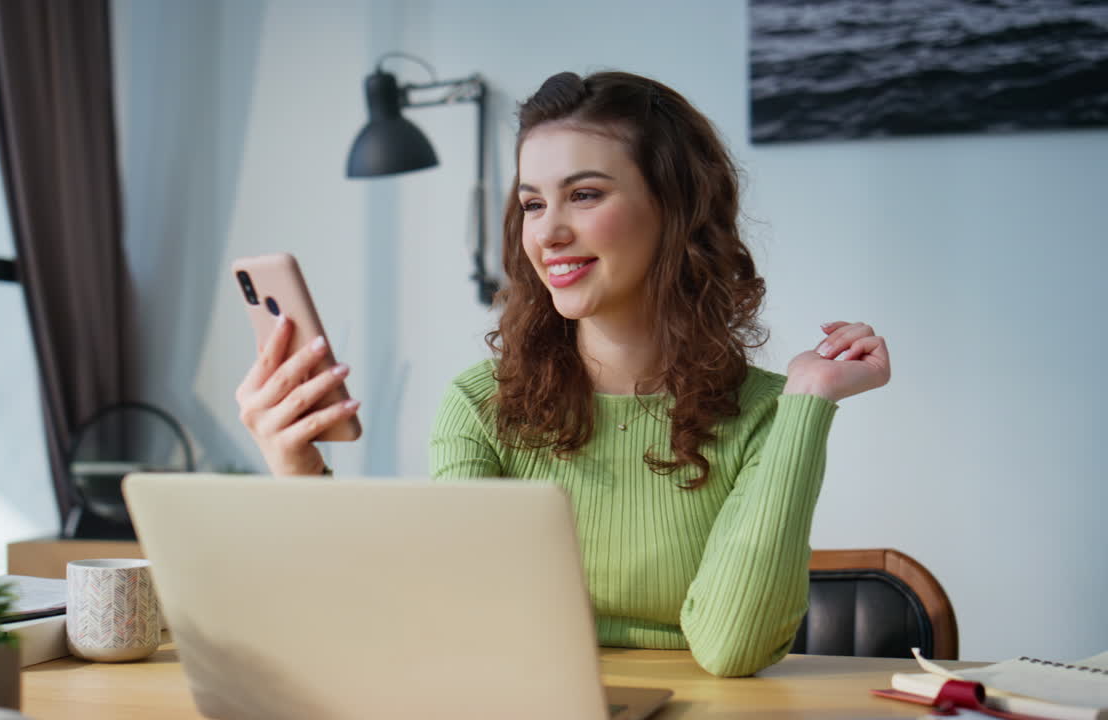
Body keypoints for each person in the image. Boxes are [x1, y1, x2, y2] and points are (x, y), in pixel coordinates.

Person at [236, 70, 890, 678]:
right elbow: (452, 626)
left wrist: (808, 401)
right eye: (533, 204)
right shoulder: (480, 406)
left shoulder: (768, 413)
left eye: (583, 195)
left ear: (676, 208)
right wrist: (300, 475)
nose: (548, 233)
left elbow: (732, 648)